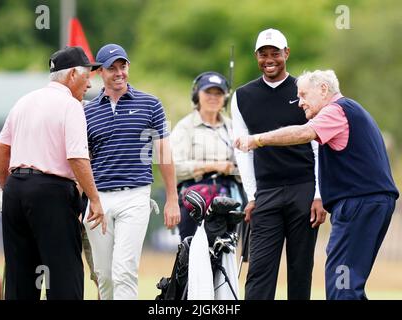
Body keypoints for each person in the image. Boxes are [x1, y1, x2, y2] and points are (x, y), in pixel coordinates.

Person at [236, 69, 399, 300]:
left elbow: (303, 133)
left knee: (342, 284)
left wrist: (257, 139)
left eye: (303, 95)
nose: (299, 103)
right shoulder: (350, 109)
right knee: (346, 281)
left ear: (323, 90)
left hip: (358, 204)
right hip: (368, 204)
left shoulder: (336, 110)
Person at [0, 46, 106, 300]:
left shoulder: (24, 101)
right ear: (72, 76)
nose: (90, 83)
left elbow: (1, 148)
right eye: (87, 75)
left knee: (20, 280)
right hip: (51, 193)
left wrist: (8, 187)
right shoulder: (71, 105)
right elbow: (77, 157)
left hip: (15, 192)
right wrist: (95, 199)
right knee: (64, 276)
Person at [231, 28, 326, 300]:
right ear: (256, 57)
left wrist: (319, 194)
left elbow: (318, 145)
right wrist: (251, 196)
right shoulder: (242, 96)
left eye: (275, 53)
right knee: (260, 270)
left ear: (287, 53)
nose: (269, 59)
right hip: (266, 193)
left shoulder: (304, 91)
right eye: (263, 54)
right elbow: (243, 149)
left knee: (300, 269)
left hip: (304, 189)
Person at [83, 43, 180, 300]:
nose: (119, 73)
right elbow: (83, 160)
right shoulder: (87, 111)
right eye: (111, 68)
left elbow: (164, 153)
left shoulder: (151, 104)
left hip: (135, 195)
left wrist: (172, 198)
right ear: (99, 73)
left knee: (123, 271)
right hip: (99, 199)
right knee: (103, 274)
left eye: (122, 66)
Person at [170, 71, 246, 241]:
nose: (213, 97)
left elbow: (245, 168)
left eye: (218, 93)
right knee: (191, 253)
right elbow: (175, 168)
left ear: (225, 97)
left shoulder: (233, 127)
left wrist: (232, 170)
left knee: (224, 255)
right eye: (208, 92)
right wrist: (212, 166)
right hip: (194, 198)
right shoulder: (185, 127)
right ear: (197, 95)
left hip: (228, 199)